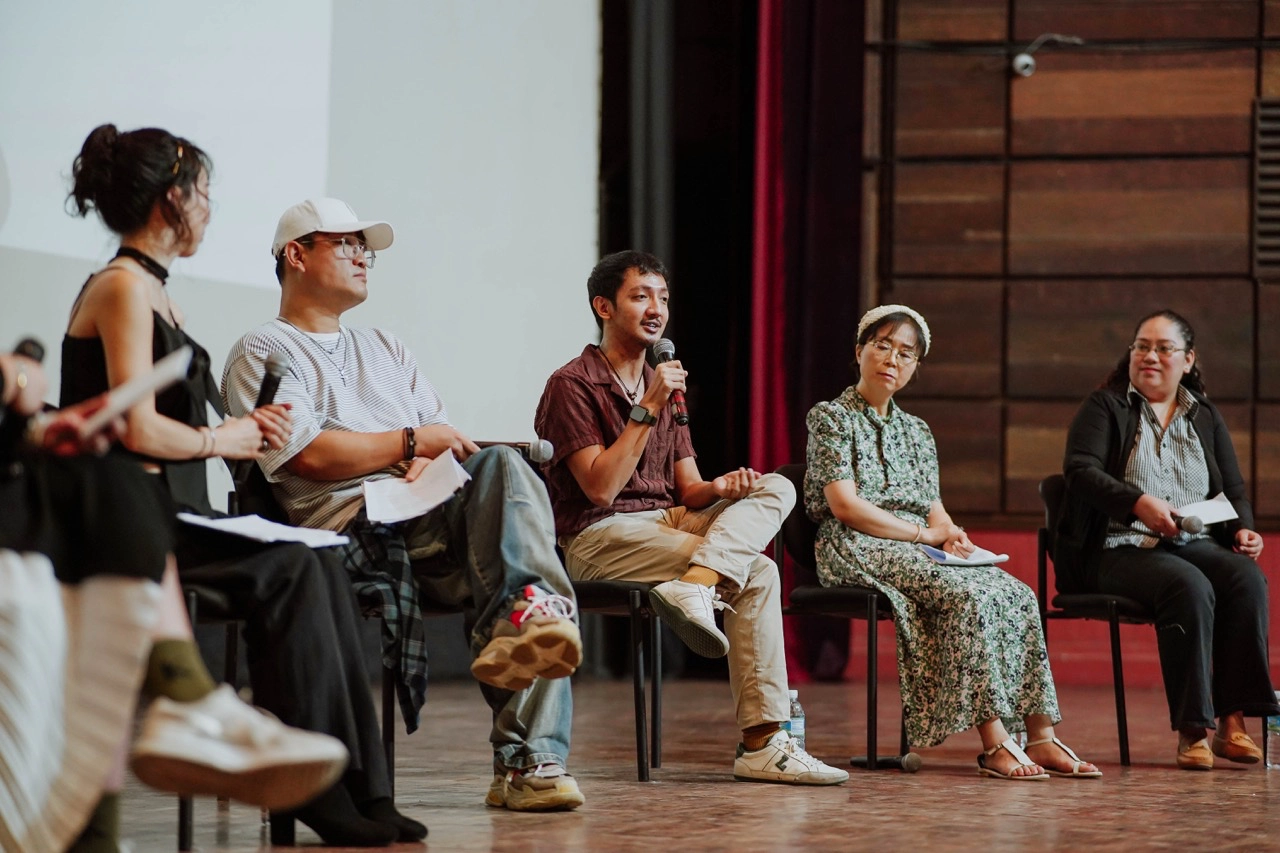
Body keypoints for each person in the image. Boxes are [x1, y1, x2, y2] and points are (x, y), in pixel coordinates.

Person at [62, 125, 424, 846]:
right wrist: (224, 436)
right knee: (293, 565)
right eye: (203, 192)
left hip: (177, 511)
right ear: (173, 197)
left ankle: (365, 786)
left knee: (318, 555)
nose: (208, 208)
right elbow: (135, 429)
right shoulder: (123, 288)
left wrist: (248, 425)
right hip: (134, 515)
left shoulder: (156, 295)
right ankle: (317, 791)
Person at [221, 197, 585, 812]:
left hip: (425, 515)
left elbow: (440, 447)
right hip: (348, 531)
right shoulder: (262, 349)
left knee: (507, 499)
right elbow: (304, 455)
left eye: (367, 246)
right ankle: (530, 715)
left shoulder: (386, 346)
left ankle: (529, 748)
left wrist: (424, 456)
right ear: (296, 254)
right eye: (347, 243)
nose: (364, 256)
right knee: (502, 477)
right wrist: (411, 444)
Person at [0, 352, 345, 853]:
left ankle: (184, 701)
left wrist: (40, 430)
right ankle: (184, 699)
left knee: (112, 483)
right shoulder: (124, 285)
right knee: (112, 497)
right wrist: (16, 376)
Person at [534, 250, 848, 786]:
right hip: (598, 536)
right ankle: (763, 743)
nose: (656, 309)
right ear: (603, 306)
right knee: (760, 572)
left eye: (663, 298)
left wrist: (724, 487)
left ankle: (697, 586)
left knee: (776, 485)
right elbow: (600, 487)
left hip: (669, 520)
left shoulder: (664, 382)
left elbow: (690, 488)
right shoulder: (573, 384)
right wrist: (647, 407)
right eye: (641, 296)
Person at [805, 304, 1100, 781]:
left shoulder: (918, 431)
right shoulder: (831, 418)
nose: (892, 360)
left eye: (906, 353)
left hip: (915, 544)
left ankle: (1041, 737)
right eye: (882, 345)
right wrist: (925, 535)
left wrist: (954, 536)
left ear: (915, 367)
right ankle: (995, 744)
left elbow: (933, 507)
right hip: (856, 543)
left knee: (1016, 593)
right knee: (965, 596)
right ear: (859, 351)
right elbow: (845, 507)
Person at [1058, 309, 1279, 771]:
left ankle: (1233, 721)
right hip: (1116, 546)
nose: (1150, 356)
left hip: (1188, 541)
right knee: (1188, 585)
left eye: (1163, 348)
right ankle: (1194, 729)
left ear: (1188, 359)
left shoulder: (1204, 414)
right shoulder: (1105, 406)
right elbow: (1080, 473)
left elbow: (1232, 488)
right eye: (1142, 346)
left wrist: (1243, 529)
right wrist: (1139, 503)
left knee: (1244, 578)